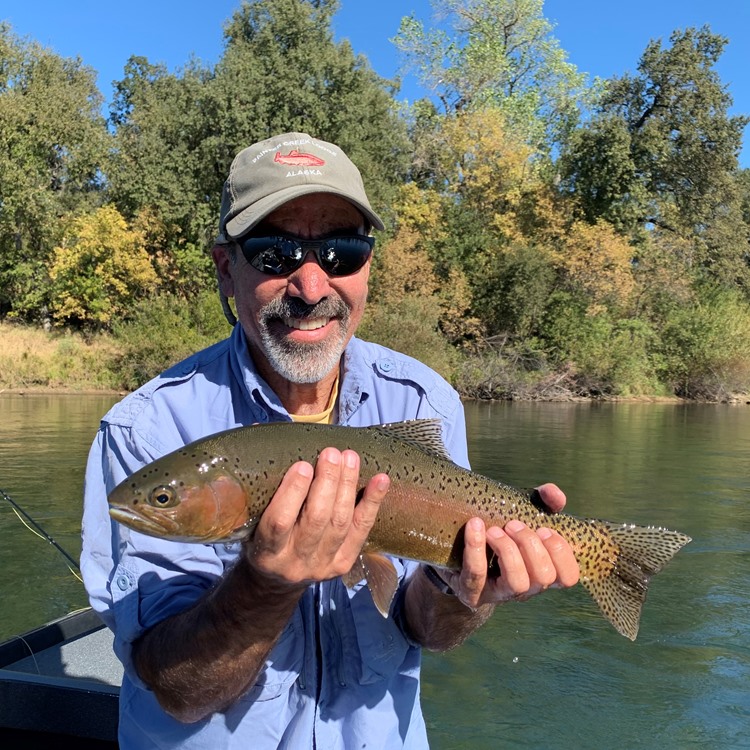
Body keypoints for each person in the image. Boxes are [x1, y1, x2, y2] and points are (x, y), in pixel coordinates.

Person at [81, 131, 579, 749]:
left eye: (342, 252)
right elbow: (178, 690)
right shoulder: (147, 430)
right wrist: (263, 583)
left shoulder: (422, 400)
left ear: (368, 265)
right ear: (226, 269)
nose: (312, 287)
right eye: (274, 253)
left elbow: (424, 625)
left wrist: (471, 588)